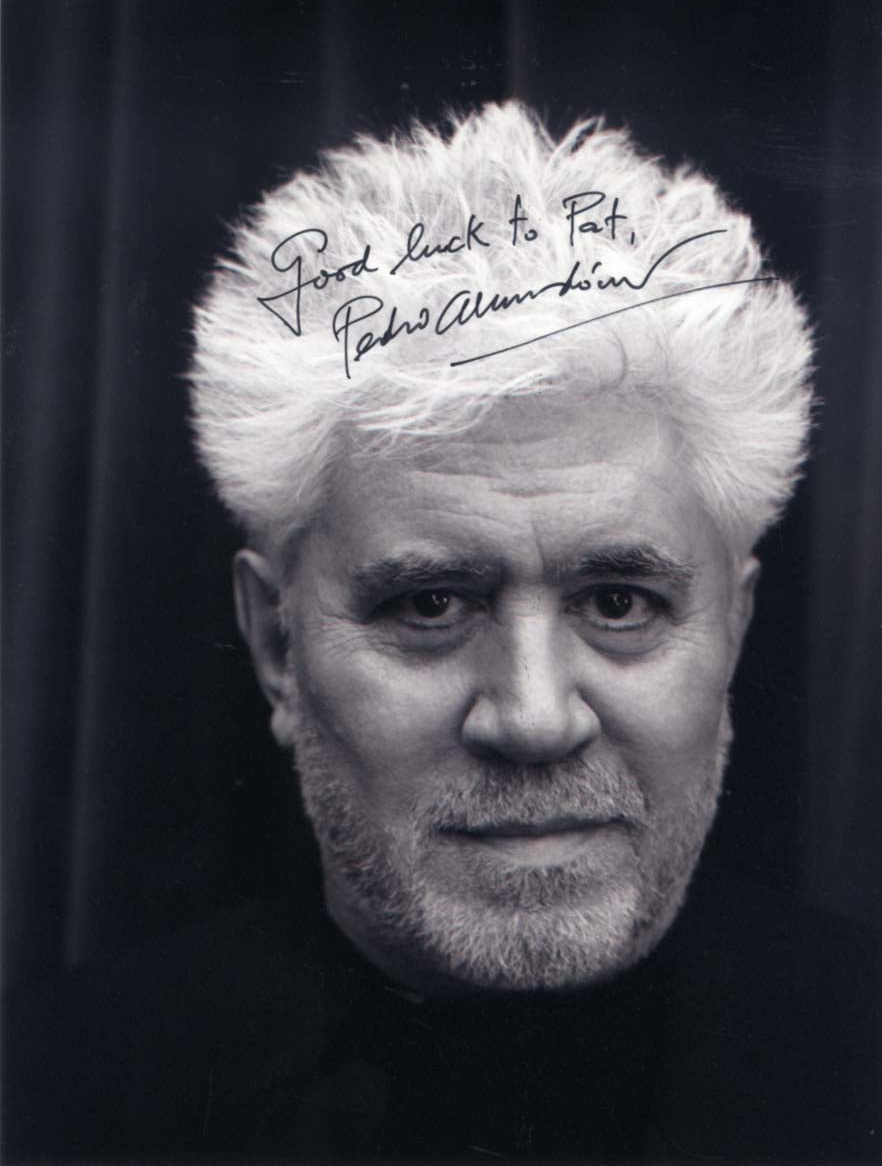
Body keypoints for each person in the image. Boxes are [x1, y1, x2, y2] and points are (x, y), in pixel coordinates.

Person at [5, 102, 876, 1164]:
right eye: (430, 605)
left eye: (619, 602)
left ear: (733, 630)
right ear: (278, 647)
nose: (533, 717)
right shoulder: (45, 1100)